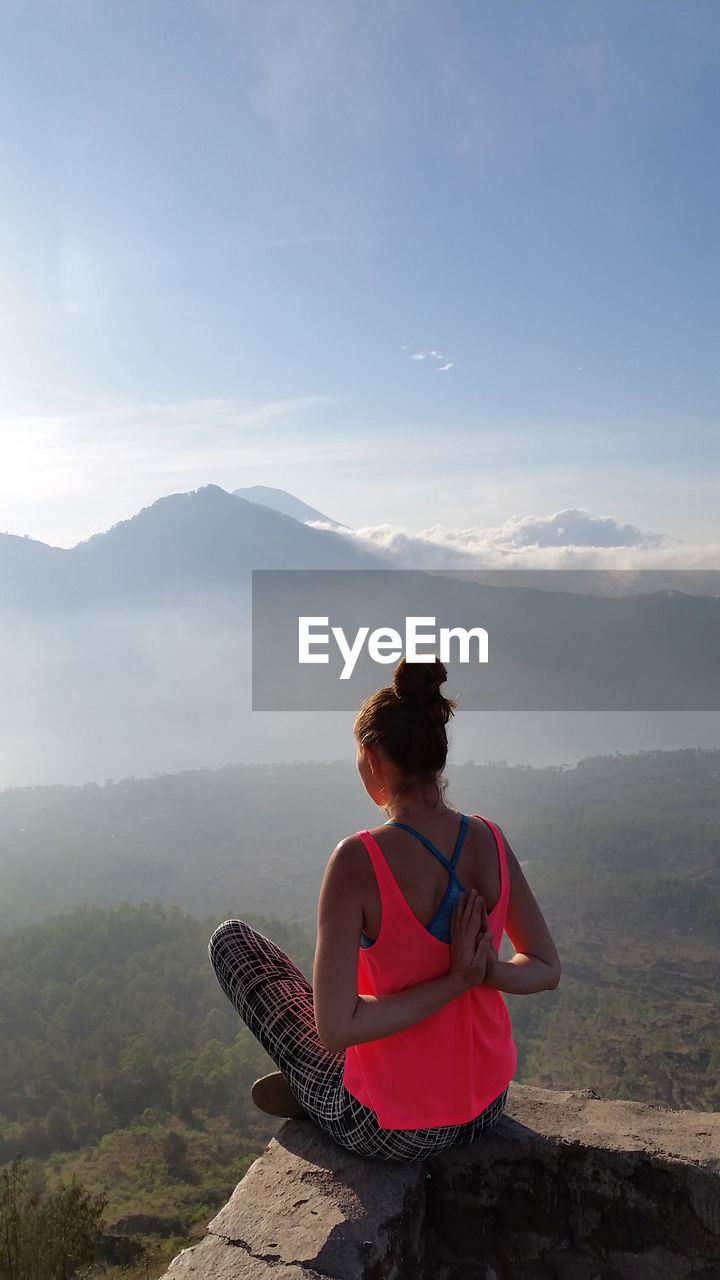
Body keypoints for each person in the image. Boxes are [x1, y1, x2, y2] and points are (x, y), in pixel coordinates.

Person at [209, 656, 561, 1161]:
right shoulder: (490, 838)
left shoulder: (358, 860)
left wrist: (458, 980)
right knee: (333, 1008)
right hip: (486, 1104)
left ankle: (321, 1094)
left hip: (390, 1127)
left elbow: (336, 1028)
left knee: (234, 944)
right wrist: (486, 972)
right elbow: (547, 968)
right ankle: (320, 1086)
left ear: (374, 757)